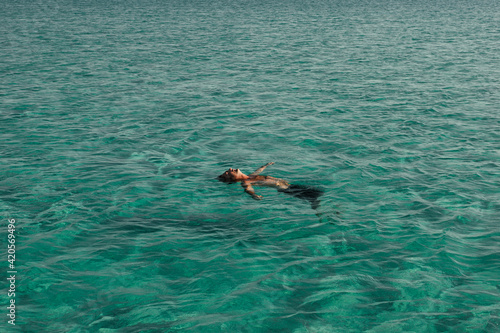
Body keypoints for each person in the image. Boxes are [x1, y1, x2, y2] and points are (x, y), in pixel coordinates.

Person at [218, 162, 323, 209]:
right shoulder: (246, 182)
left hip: (290, 185)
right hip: (286, 189)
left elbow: (259, 170)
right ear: (232, 179)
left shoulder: (250, 176)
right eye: (227, 172)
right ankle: (320, 212)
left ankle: (322, 208)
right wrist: (254, 196)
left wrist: (266, 165)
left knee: (319, 194)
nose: (230, 169)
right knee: (314, 199)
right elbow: (248, 189)